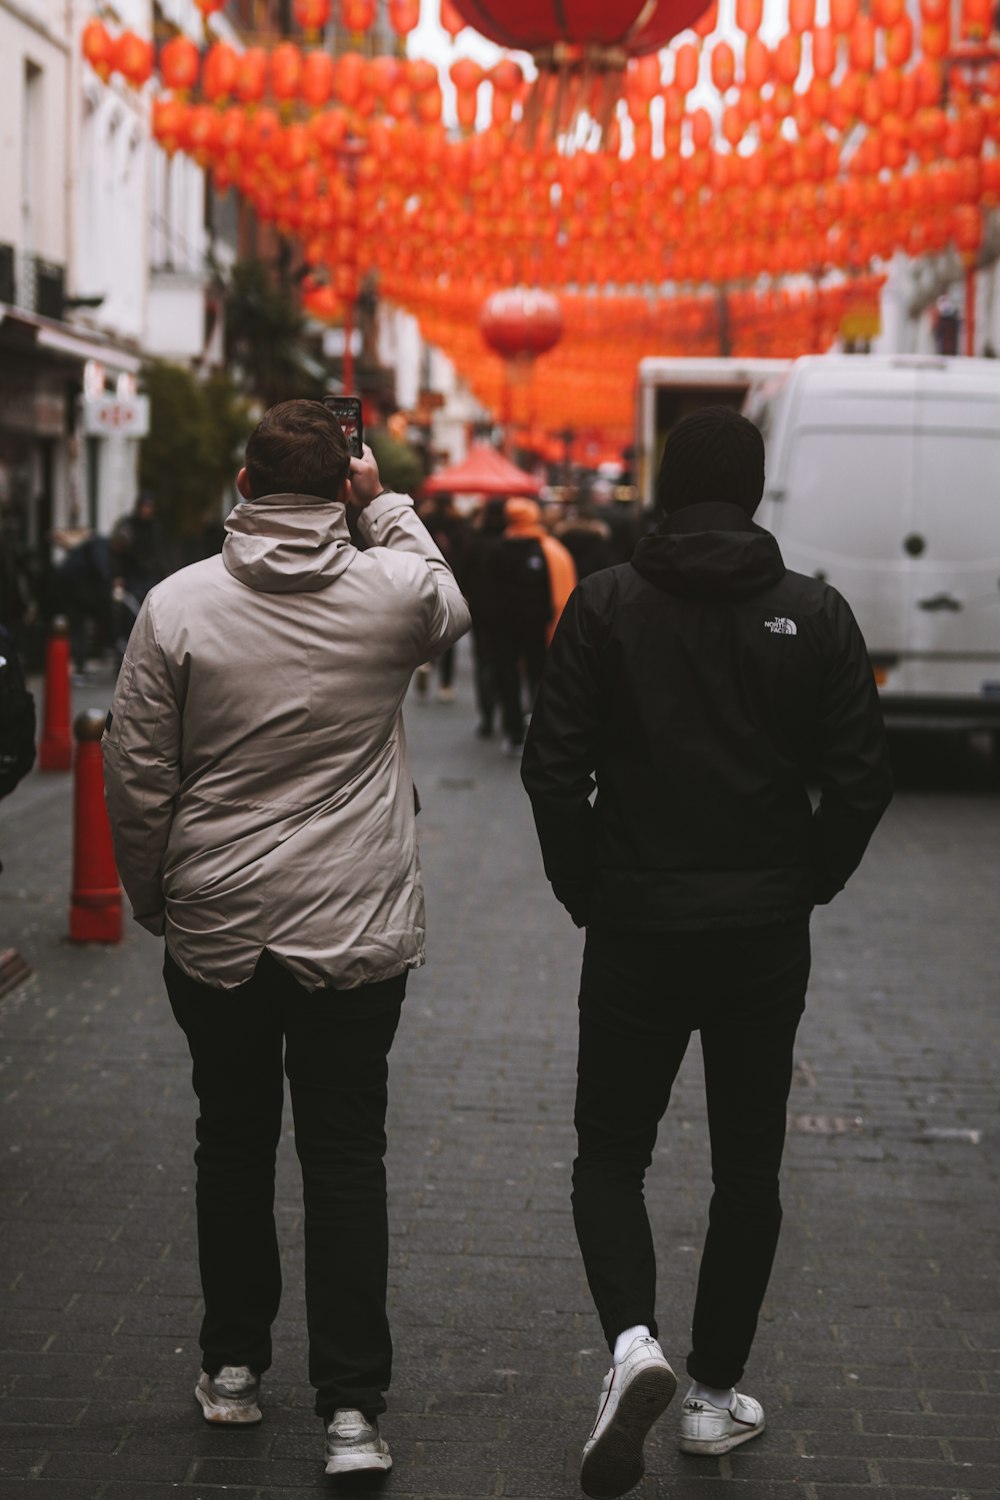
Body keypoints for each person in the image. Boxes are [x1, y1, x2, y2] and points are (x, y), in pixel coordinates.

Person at [520, 407, 893, 1498]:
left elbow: (553, 768)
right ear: (758, 491)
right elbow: (863, 778)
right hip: (761, 934)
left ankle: (632, 1344)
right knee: (746, 1167)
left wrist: (585, 885)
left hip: (636, 922)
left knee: (609, 1150)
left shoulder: (605, 606)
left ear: (666, 489)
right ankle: (714, 1395)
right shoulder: (813, 614)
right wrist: (806, 878)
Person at [102, 400, 470, 1479]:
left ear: (245, 486)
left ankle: (232, 1370)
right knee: (347, 1158)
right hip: (352, 927)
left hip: (216, 924)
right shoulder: (393, 593)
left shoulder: (175, 607)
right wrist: (385, 501)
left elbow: (138, 775)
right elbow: (448, 597)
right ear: (343, 486)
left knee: (233, 1142)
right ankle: (353, 1411)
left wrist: (149, 896)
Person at [491, 497, 575, 755]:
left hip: (504, 627)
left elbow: (485, 592)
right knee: (539, 677)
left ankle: (514, 730)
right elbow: (561, 594)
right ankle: (540, 730)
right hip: (538, 626)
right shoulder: (550, 551)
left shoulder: (497, 550)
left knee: (509, 678)